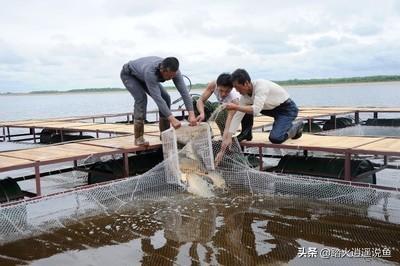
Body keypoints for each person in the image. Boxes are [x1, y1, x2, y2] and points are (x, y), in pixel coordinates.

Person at [216, 68, 303, 164]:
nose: (237, 90)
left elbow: (256, 110)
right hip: (272, 109)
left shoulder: (261, 86)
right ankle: (250, 132)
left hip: (287, 109)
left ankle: (296, 126)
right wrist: (229, 137)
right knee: (243, 109)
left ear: (246, 83)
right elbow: (238, 116)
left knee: (275, 138)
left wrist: (236, 107)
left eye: (237, 87)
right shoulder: (245, 97)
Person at [120, 56, 197, 146]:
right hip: (130, 75)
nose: (171, 77)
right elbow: (157, 98)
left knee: (166, 98)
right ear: (162, 70)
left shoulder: (175, 72)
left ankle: (164, 135)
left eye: (173, 75)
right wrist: (172, 119)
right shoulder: (150, 72)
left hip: (143, 75)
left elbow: (184, 92)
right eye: (169, 76)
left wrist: (192, 115)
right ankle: (138, 138)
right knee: (141, 98)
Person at [195, 73, 253, 141]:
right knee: (194, 100)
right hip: (222, 105)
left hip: (235, 112)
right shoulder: (213, 85)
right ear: (217, 86)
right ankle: (206, 132)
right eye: (221, 90)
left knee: (220, 111)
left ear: (232, 88)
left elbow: (231, 118)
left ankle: (242, 133)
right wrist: (202, 113)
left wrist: (227, 136)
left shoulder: (234, 98)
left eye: (227, 91)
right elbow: (200, 101)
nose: (223, 94)